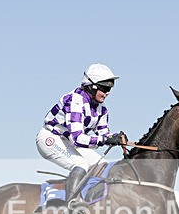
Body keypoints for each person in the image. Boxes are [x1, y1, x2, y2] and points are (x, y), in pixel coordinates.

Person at [37, 63, 126, 206]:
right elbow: (78, 138)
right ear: (92, 86)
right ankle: (71, 205)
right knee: (81, 164)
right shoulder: (75, 100)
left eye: (110, 88)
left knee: (101, 165)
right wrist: (105, 140)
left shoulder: (102, 110)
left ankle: (90, 202)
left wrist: (115, 137)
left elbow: (103, 134)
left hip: (68, 141)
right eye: (105, 88)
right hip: (51, 138)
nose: (108, 92)